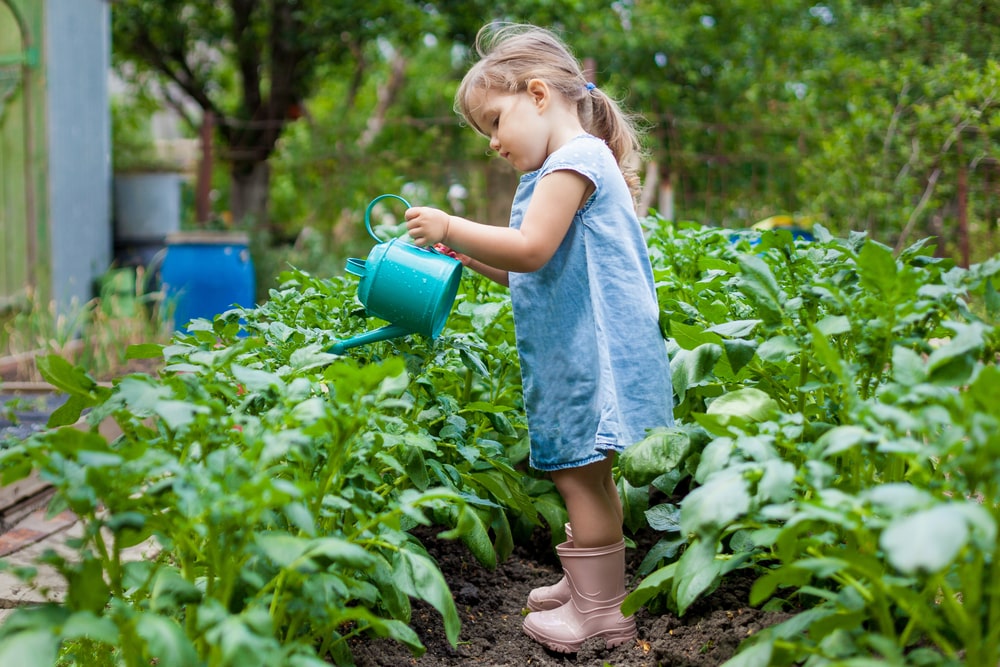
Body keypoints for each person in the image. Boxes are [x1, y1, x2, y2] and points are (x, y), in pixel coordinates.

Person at [404, 23, 674, 653]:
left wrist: (451, 221)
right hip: (578, 350)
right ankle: (584, 582)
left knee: (581, 476)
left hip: (590, 357)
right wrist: (461, 250)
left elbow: (529, 248)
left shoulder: (574, 162)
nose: (493, 142)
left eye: (495, 122)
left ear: (537, 94)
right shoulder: (570, 165)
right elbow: (530, 267)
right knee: (587, 475)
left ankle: (601, 612)